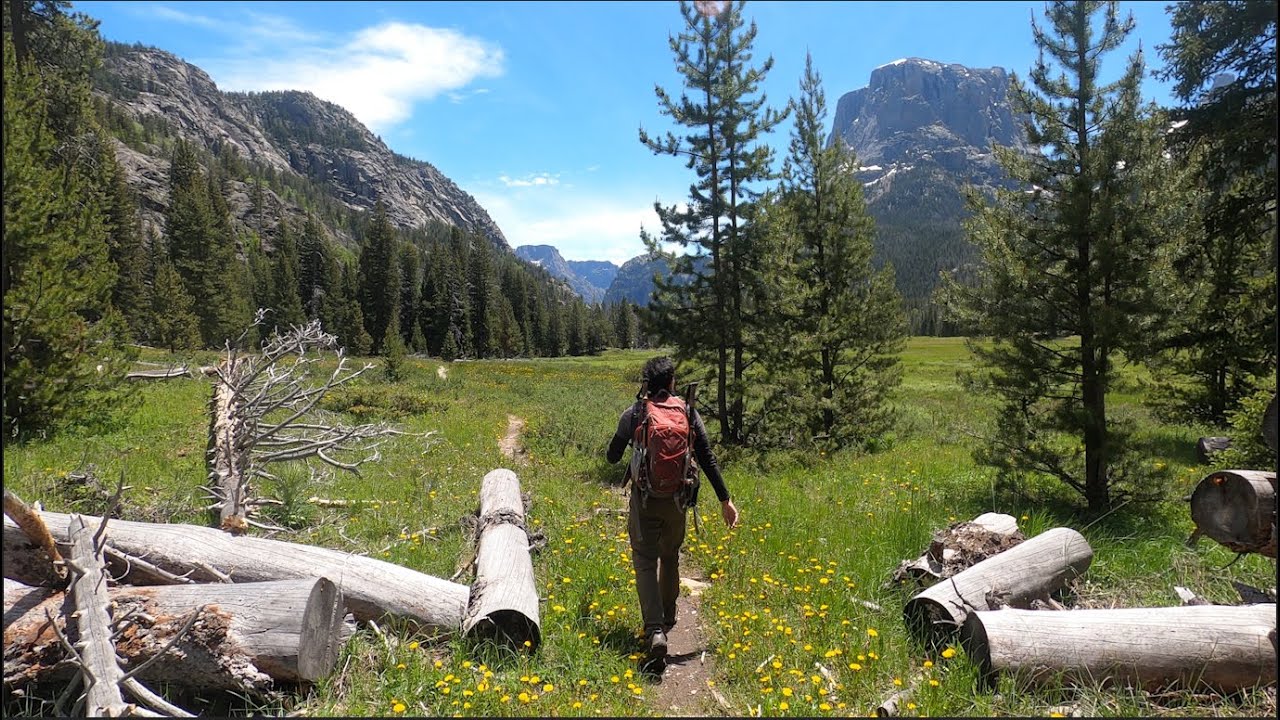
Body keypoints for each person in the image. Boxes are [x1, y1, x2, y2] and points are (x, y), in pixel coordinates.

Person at [606, 356, 739, 660]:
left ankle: (654, 630)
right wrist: (725, 500)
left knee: (643, 560)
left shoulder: (636, 412)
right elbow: (707, 457)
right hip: (679, 501)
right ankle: (668, 615)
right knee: (670, 556)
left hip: (645, 501)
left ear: (646, 384)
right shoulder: (688, 412)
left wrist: (633, 446)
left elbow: (612, 456)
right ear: (672, 383)